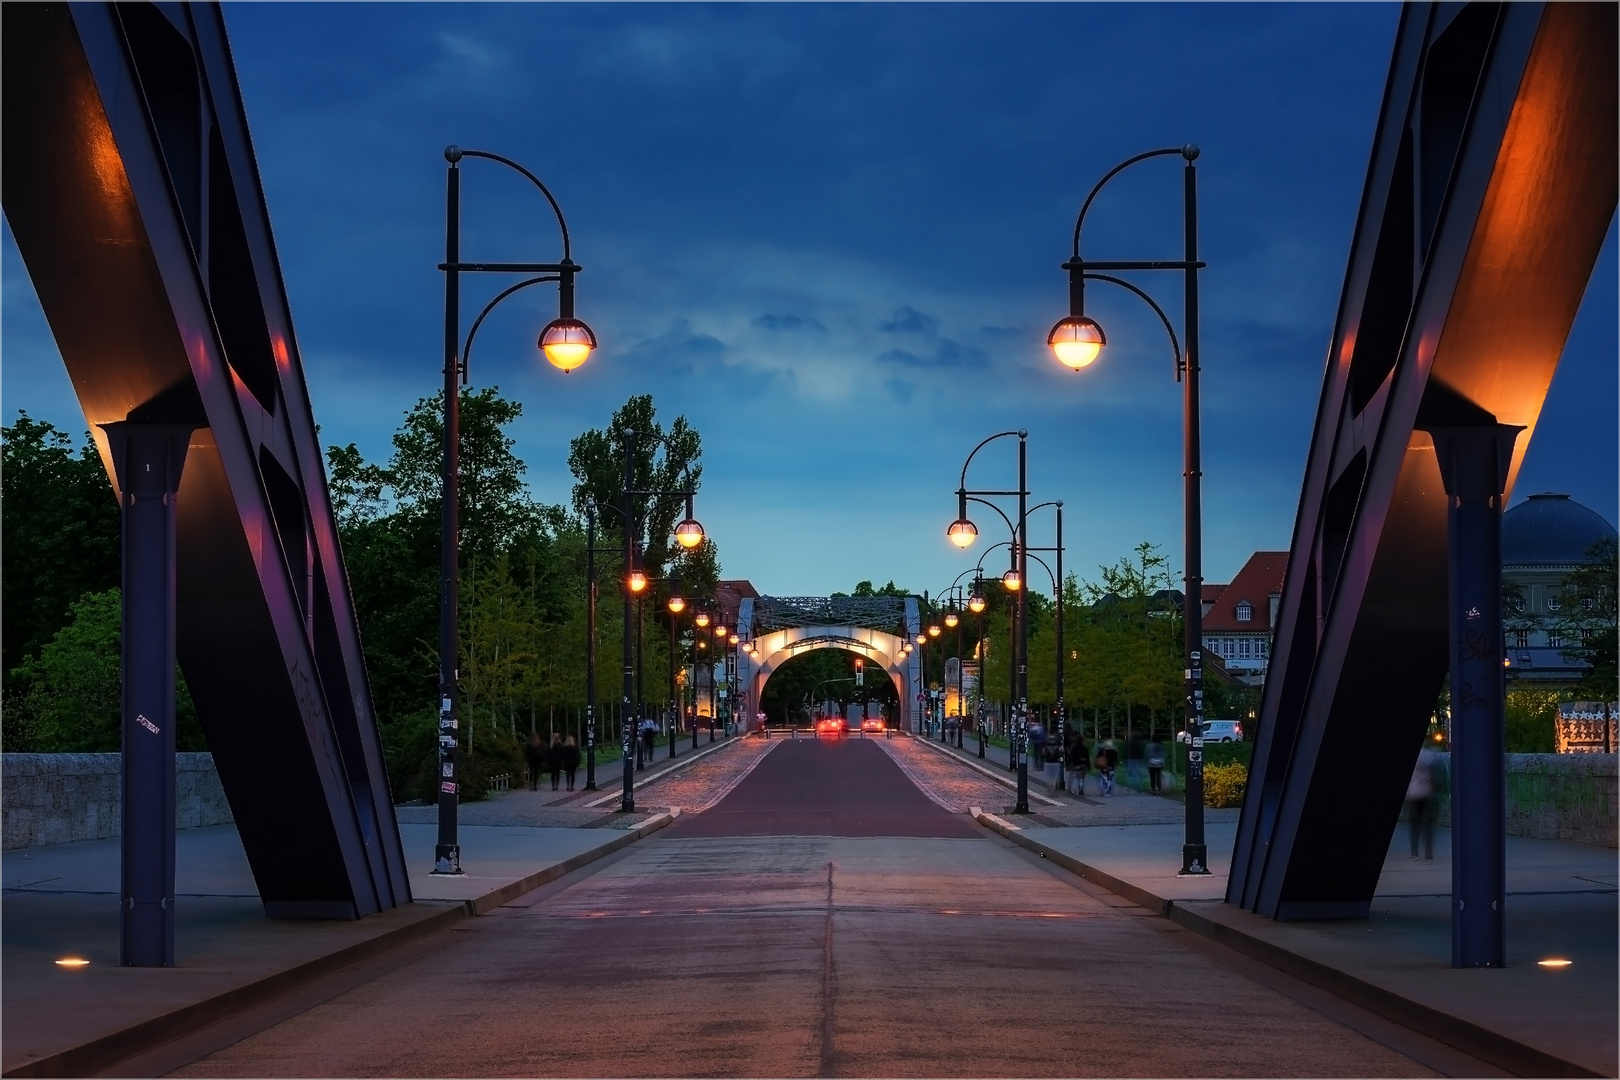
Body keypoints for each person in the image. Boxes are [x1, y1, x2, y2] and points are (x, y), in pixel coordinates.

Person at [1406, 745, 1438, 860]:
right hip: (1426, 795)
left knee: (1414, 826)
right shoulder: (1429, 756)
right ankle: (1428, 855)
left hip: (1414, 795)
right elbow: (1433, 776)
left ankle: (1414, 853)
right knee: (1427, 826)